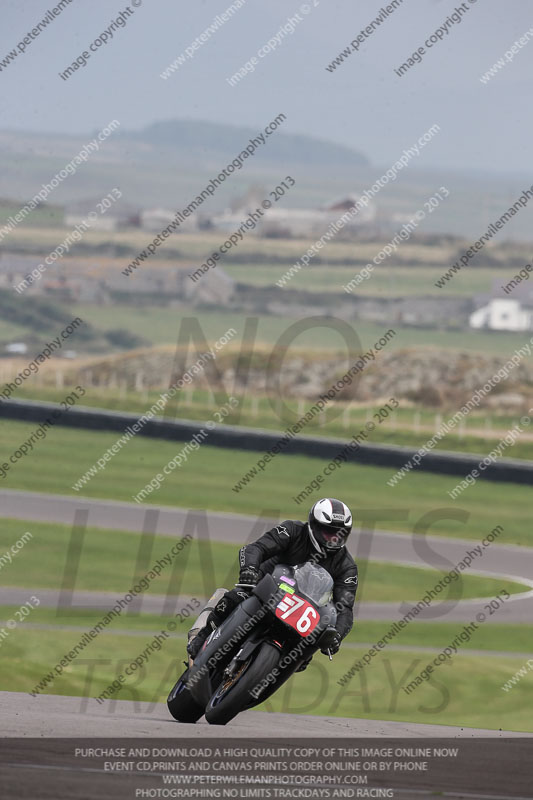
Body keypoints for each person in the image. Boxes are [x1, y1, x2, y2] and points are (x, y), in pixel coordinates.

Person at [187, 498, 358, 666]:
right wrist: (249, 570)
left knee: (306, 652)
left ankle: (260, 683)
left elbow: (345, 608)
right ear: (313, 525)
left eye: (340, 534)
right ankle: (202, 636)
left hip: (301, 610)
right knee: (235, 597)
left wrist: (337, 636)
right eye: (328, 532)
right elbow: (255, 549)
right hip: (266, 586)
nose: (333, 539)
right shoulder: (292, 530)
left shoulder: (346, 565)